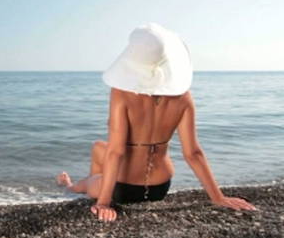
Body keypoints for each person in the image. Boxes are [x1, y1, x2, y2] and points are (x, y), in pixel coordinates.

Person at [56, 23, 257, 222]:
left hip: (123, 188)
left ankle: (71, 186)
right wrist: (218, 197)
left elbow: (117, 152)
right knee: (99, 147)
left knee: (89, 177)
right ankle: (94, 182)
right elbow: (193, 153)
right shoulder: (184, 97)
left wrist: (104, 203)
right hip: (161, 186)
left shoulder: (121, 94)